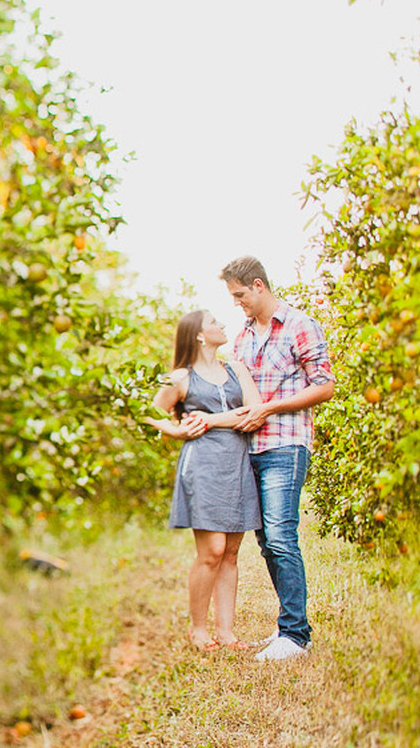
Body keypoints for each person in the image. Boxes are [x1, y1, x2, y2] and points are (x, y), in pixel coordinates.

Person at [219, 256, 335, 662]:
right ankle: (289, 625)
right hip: (252, 448)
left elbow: (324, 386)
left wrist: (268, 409)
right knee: (267, 539)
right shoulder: (243, 339)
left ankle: (296, 636)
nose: (237, 304)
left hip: (287, 444)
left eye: (240, 296)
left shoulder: (300, 325)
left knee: (282, 534)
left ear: (258, 285)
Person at [146, 309, 264, 652]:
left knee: (230, 552)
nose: (222, 325)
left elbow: (253, 414)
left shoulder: (236, 369)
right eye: (214, 322)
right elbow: (146, 413)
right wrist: (178, 430)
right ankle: (198, 629)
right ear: (199, 334)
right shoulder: (181, 378)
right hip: (202, 467)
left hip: (237, 464)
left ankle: (226, 633)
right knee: (211, 551)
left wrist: (210, 421)